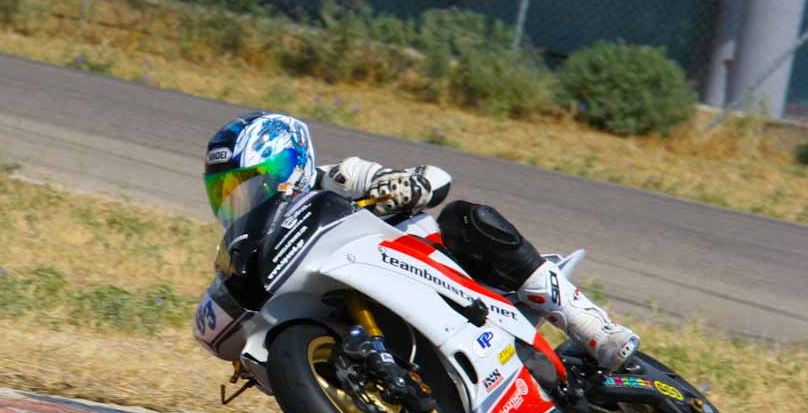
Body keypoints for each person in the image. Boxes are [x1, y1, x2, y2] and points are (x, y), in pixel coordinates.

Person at [202, 111, 639, 372]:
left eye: (250, 183)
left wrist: (405, 185)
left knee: (465, 217)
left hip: (438, 274)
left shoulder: (339, 178)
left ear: (291, 162)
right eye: (226, 192)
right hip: (364, 311)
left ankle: (589, 324)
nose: (241, 199)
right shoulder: (257, 250)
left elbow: (437, 179)